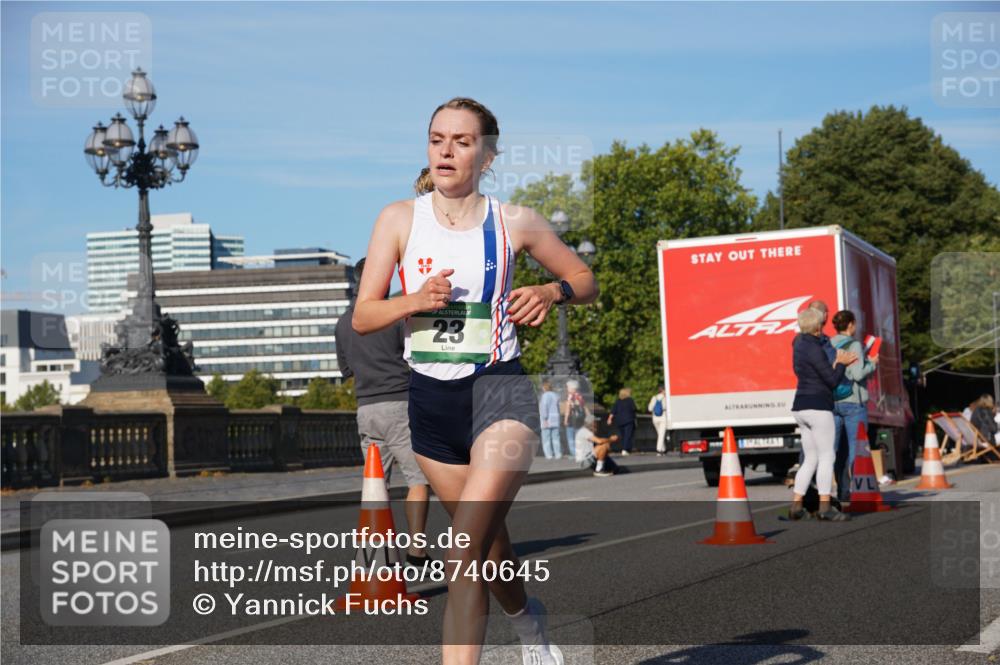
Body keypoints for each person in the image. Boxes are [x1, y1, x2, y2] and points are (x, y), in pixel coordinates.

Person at [352, 97, 597, 665]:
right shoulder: (397, 219)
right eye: (438, 139)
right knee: (489, 548)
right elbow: (364, 316)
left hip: (499, 393)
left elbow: (584, 279)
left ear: (487, 155)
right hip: (430, 402)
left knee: (463, 552)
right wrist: (412, 300)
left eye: (462, 141)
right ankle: (528, 622)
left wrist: (548, 291)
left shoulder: (515, 221)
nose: (446, 150)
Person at [334, 257, 431, 567]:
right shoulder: (394, 314)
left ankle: (377, 556)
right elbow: (416, 357)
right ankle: (416, 552)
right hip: (399, 404)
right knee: (418, 479)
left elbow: (346, 370)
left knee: (376, 483)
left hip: (365, 408)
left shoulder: (343, 323)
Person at [788, 307, 857, 521]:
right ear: (818, 326)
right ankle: (825, 507)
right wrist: (842, 364)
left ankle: (796, 505)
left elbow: (810, 371)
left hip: (800, 405)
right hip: (818, 405)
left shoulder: (798, 344)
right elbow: (832, 381)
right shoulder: (814, 348)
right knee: (827, 456)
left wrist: (835, 363)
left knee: (810, 458)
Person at [830, 310, 878, 505]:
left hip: (833, 402)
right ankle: (860, 490)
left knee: (836, 451)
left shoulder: (829, 343)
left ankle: (842, 491)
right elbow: (858, 374)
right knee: (856, 449)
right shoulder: (855, 345)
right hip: (853, 402)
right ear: (851, 324)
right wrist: (872, 364)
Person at [575, 412, 619, 476]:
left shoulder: (588, 431)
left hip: (589, 457)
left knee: (615, 468)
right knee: (604, 445)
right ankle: (599, 470)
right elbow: (599, 441)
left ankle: (606, 467)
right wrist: (611, 439)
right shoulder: (584, 431)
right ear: (591, 423)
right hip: (584, 461)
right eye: (595, 422)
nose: (597, 424)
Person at [607, 387, 637, 455]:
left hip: (619, 421)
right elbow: (634, 409)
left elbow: (613, 411)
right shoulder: (630, 400)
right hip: (629, 420)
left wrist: (609, 419)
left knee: (623, 436)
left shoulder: (618, 401)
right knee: (628, 435)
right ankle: (625, 449)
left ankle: (626, 449)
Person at [538, 380, 562, 459]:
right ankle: (558, 453)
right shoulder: (556, 395)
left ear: (544, 388)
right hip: (555, 419)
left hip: (547, 420)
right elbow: (558, 408)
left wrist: (544, 418)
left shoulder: (545, 396)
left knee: (546, 438)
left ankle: (549, 454)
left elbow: (544, 407)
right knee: (556, 437)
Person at [562, 379, 587, 455]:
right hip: (580, 419)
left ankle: (574, 453)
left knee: (571, 437)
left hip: (572, 420)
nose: (567, 389)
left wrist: (565, 420)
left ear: (572, 388)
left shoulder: (570, 397)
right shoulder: (580, 396)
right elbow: (584, 407)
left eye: (568, 387)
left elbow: (568, 409)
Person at [648, 384, 667, 456]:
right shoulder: (665, 398)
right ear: (663, 390)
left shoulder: (654, 397)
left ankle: (663, 449)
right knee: (661, 434)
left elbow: (649, 408)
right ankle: (658, 450)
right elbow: (665, 407)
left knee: (659, 434)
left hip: (655, 418)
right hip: (663, 418)